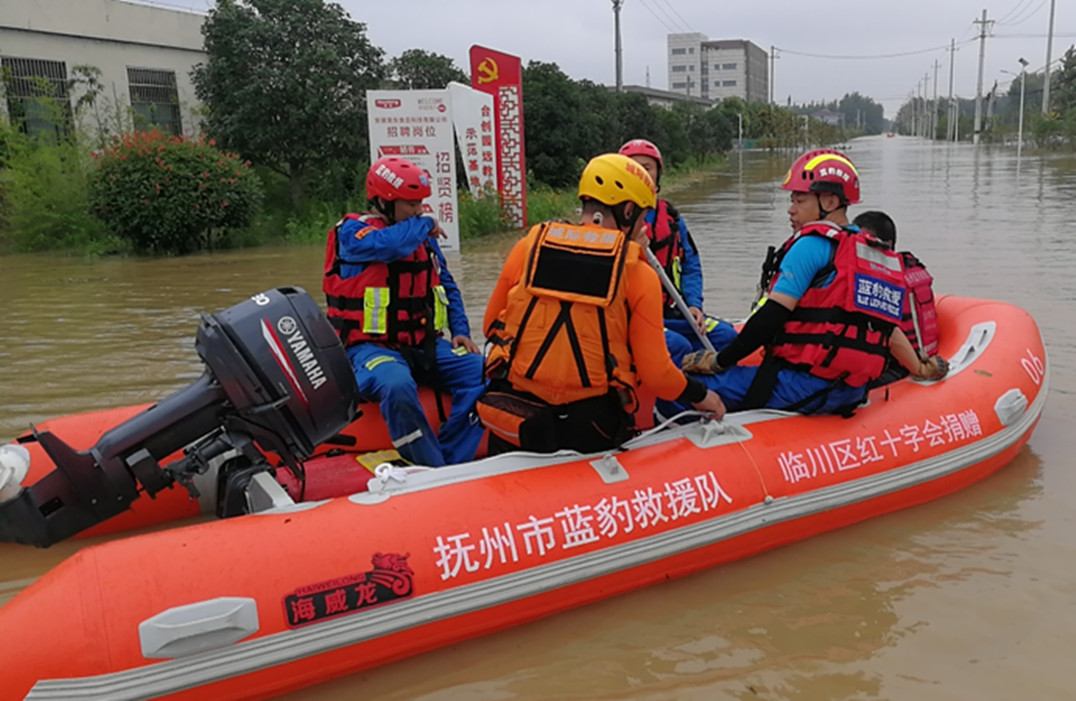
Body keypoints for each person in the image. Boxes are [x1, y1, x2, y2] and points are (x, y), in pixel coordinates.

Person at [478, 153, 725, 454]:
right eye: (643, 216)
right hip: (588, 425)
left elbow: (491, 324)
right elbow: (657, 374)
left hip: (515, 416)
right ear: (629, 210)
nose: (646, 227)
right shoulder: (636, 270)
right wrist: (702, 396)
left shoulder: (529, 245)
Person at [673, 149, 947, 416]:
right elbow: (886, 329)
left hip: (802, 386)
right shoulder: (871, 253)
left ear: (828, 202)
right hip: (850, 390)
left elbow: (770, 318)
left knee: (683, 387)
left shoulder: (810, 245)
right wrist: (920, 368)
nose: (791, 210)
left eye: (799, 201)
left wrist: (719, 362)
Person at [323, 156, 485, 466]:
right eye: (410, 204)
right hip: (367, 348)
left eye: (421, 203)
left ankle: (452, 459)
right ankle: (430, 467)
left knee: (486, 371)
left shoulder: (421, 237)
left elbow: (447, 286)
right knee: (396, 384)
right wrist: (424, 224)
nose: (419, 210)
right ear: (384, 202)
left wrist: (461, 331)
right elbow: (389, 246)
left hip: (424, 344)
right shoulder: (351, 233)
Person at [618, 139, 736, 363]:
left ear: (658, 175)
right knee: (676, 345)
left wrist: (694, 304)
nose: (641, 173)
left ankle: (708, 383)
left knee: (727, 336)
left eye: (647, 167)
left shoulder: (671, 218)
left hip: (670, 310)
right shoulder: (613, 219)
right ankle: (678, 390)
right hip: (632, 315)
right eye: (633, 167)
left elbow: (690, 264)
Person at [852, 210, 941, 387]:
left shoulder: (883, 282)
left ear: (887, 244)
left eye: (865, 242)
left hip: (897, 366)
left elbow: (885, 330)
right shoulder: (911, 269)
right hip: (915, 356)